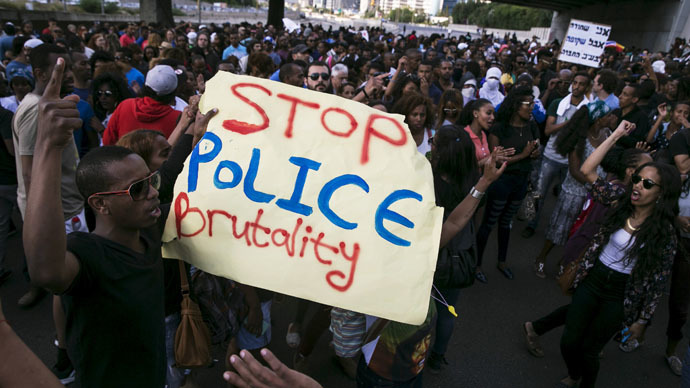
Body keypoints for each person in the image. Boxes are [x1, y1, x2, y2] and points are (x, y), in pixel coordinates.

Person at [557, 120, 680, 388]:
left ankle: (583, 382)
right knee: (569, 340)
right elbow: (587, 170)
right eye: (637, 179)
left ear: (661, 194)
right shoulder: (619, 199)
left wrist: (642, 321)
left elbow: (657, 281)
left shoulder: (664, 233)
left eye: (647, 184)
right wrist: (615, 135)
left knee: (591, 350)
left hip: (621, 292)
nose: (637, 186)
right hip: (593, 279)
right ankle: (574, 373)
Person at [523, 145, 652, 358]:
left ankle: (539, 329)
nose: (649, 175)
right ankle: (543, 332)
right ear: (631, 171)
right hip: (587, 253)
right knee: (583, 307)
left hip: (590, 253)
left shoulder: (625, 193)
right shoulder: (618, 194)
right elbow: (587, 174)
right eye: (645, 169)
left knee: (585, 307)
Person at [532, 101, 616, 278]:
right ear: (599, 119)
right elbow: (575, 171)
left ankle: (563, 262)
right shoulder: (581, 138)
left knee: (579, 232)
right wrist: (595, 185)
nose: (612, 118)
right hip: (574, 192)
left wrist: (603, 186)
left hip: (595, 194)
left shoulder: (607, 134)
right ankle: (541, 258)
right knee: (559, 229)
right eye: (608, 115)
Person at [475, 86, 540, 283]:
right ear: (515, 105)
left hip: (520, 183)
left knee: (507, 223)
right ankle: (477, 265)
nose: (531, 108)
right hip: (501, 183)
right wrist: (524, 155)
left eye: (533, 103)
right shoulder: (499, 128)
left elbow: (534, 148)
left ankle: (502, 262)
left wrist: (534, 154)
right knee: (489, 223)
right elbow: (496, 159)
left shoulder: (531, 126)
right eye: (528, 104)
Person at [522, 72, 591, 239]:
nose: (576, 86)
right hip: (551, 157)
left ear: (586, 88)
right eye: (574, 82)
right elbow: (548, 129)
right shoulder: (557, 103)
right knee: (538, 194)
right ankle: (530, 224)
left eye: (581, 84)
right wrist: (571, 122)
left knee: (563, 200)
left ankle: (554, 231)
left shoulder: (588, 109)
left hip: (571, 162)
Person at [102, 64, 181, 145]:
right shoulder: (179, 119)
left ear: (146, 87)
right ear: (174, 92)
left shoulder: (125, 106)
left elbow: (107, 141)